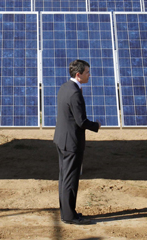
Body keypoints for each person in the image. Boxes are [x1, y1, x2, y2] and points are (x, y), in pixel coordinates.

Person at [54, 59, 101, 225]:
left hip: (63, 139)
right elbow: (81, 121)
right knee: (70, 179)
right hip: (71, 142)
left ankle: (67, 211)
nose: (90, 75)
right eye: (87, 72)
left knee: (65, 177)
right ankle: (69, 215)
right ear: (78, 75)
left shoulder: (65, 87)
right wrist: (96, 125)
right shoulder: (74, 92)